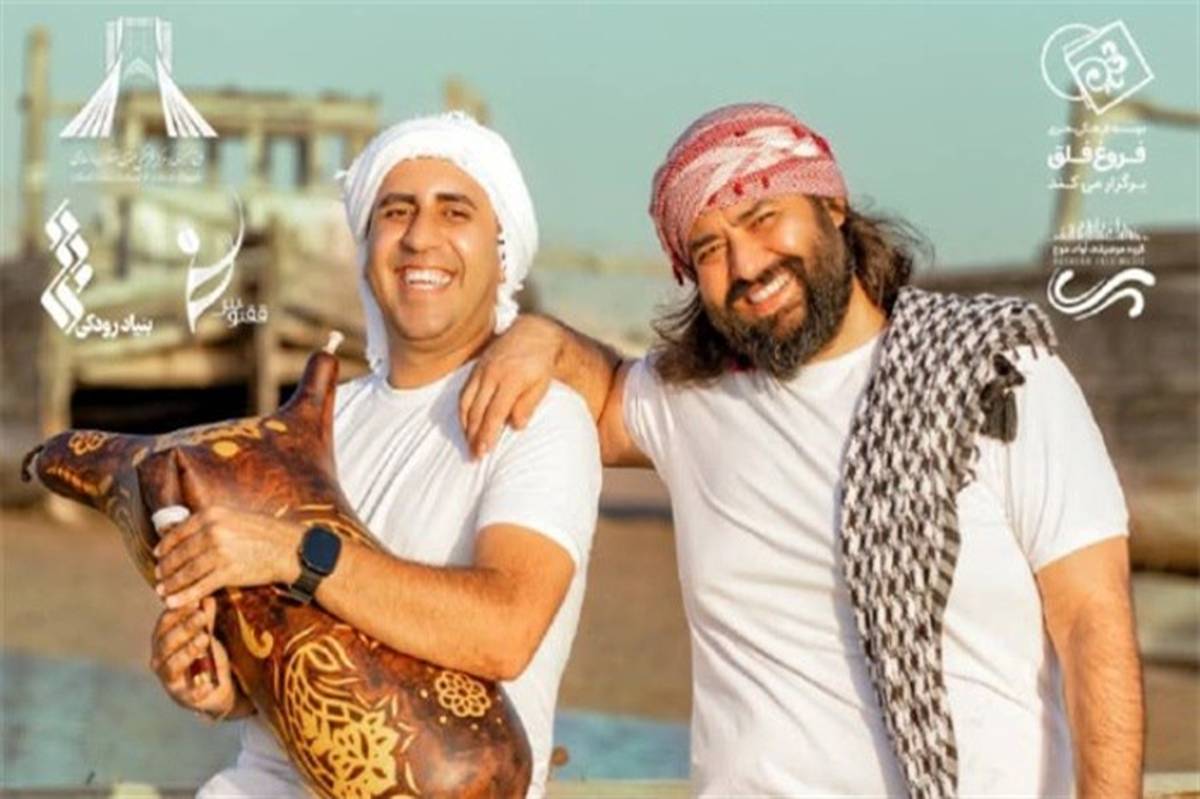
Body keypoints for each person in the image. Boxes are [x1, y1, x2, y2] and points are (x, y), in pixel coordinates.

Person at [459, 103, 1143, 797]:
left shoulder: (993, 371)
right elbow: (599, 392)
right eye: (709, 249)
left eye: (763, 218)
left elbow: (1092, 620)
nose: (747, 264)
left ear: (833, 205)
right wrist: (542, 336)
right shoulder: (691, 401)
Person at [147, 111, 601, 798]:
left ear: (504, 251)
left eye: (455, 212)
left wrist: (298, 553)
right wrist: (221, 685)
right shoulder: (320, 421)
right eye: (395, 211)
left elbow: (505, 631)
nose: (420, 236)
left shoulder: (541, 417)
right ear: (366, 248)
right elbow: (297, 657)